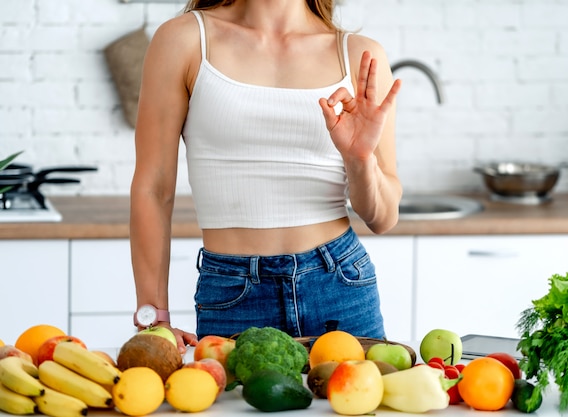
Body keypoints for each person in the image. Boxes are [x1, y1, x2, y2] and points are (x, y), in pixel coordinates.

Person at [129, 0, 402, 354]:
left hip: (340, 285)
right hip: (233, 293)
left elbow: (384, 217)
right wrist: (154, 318)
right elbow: (153, 188)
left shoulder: (360, 56)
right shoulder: (185, 40)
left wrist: (359, 158)